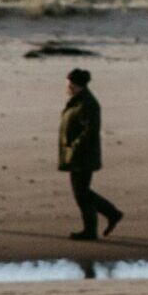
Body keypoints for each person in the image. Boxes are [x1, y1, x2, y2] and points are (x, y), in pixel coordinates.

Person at [58, 67, 122, 240]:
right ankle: (110, 215)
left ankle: (94, 227)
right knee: (82, 192)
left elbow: (90, 130)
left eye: (69, 83)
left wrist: (75, 147)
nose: (67, 86)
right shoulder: (78, 100)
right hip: (77, 154)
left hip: (83, 155)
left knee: (81, 193)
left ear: (75, 84)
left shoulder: (87, 103)